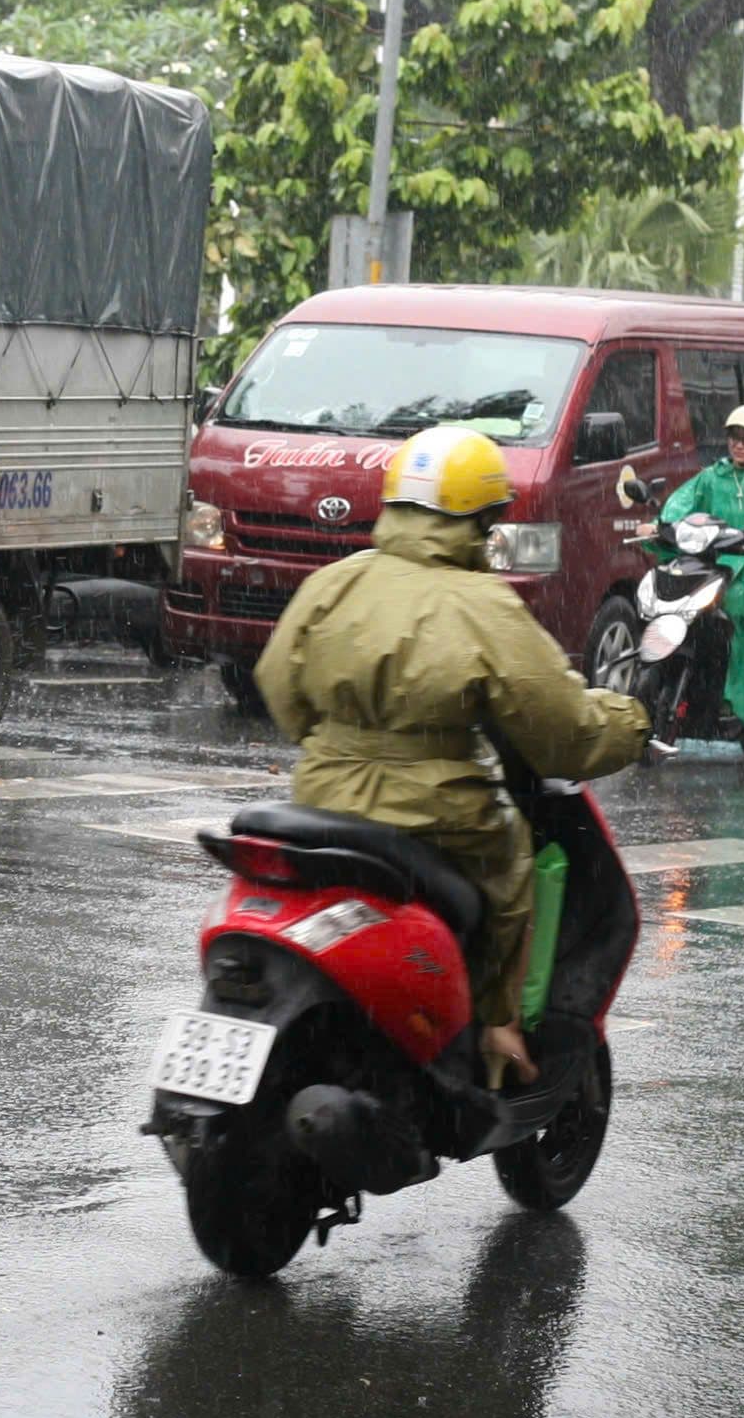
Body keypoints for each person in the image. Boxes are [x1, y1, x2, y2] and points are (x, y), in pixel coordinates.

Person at [256, 427, 650, 1086]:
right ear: (481, 520)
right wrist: (631, 721)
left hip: (319, 796)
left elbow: (278, 684)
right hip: (435, 811)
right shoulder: (482, 604)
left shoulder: (336, 581)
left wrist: (340, 744)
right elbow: (563, 732)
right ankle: (497, 1032)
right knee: (512, 869)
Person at [641, 403, 744, 732]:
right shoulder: (712, 476)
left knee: (735, 605)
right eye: (734, 436)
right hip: (710, 565)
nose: (739, 444)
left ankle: (736, 697)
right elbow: (680, 504)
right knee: (671, 593)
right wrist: (658, 525)